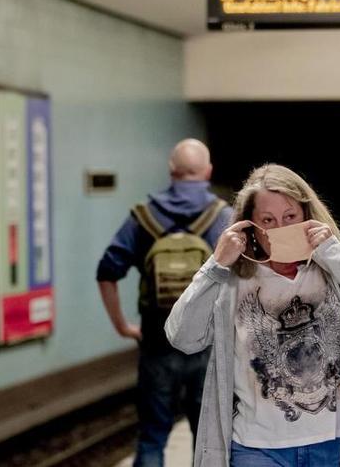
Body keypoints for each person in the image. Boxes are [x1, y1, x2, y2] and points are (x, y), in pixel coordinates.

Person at [164, 163, 340, 467]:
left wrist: (333, 253)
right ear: (249, 226)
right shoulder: (232, 279)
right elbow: (182, 337)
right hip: (257, 448)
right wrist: (215, 266)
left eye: (290, 217)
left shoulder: (337, 262)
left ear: (307, 215)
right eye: (268, 220)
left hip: (337, 443)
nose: (280, 229)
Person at [96, 138, 233, 467]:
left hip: (157, 341)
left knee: (153, 435)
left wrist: (122, 326)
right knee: (210, 439)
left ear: (171, 171)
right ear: (208, 171)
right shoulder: (223, 216)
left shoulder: (143, 216)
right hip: (208, 345)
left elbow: (106, 272)